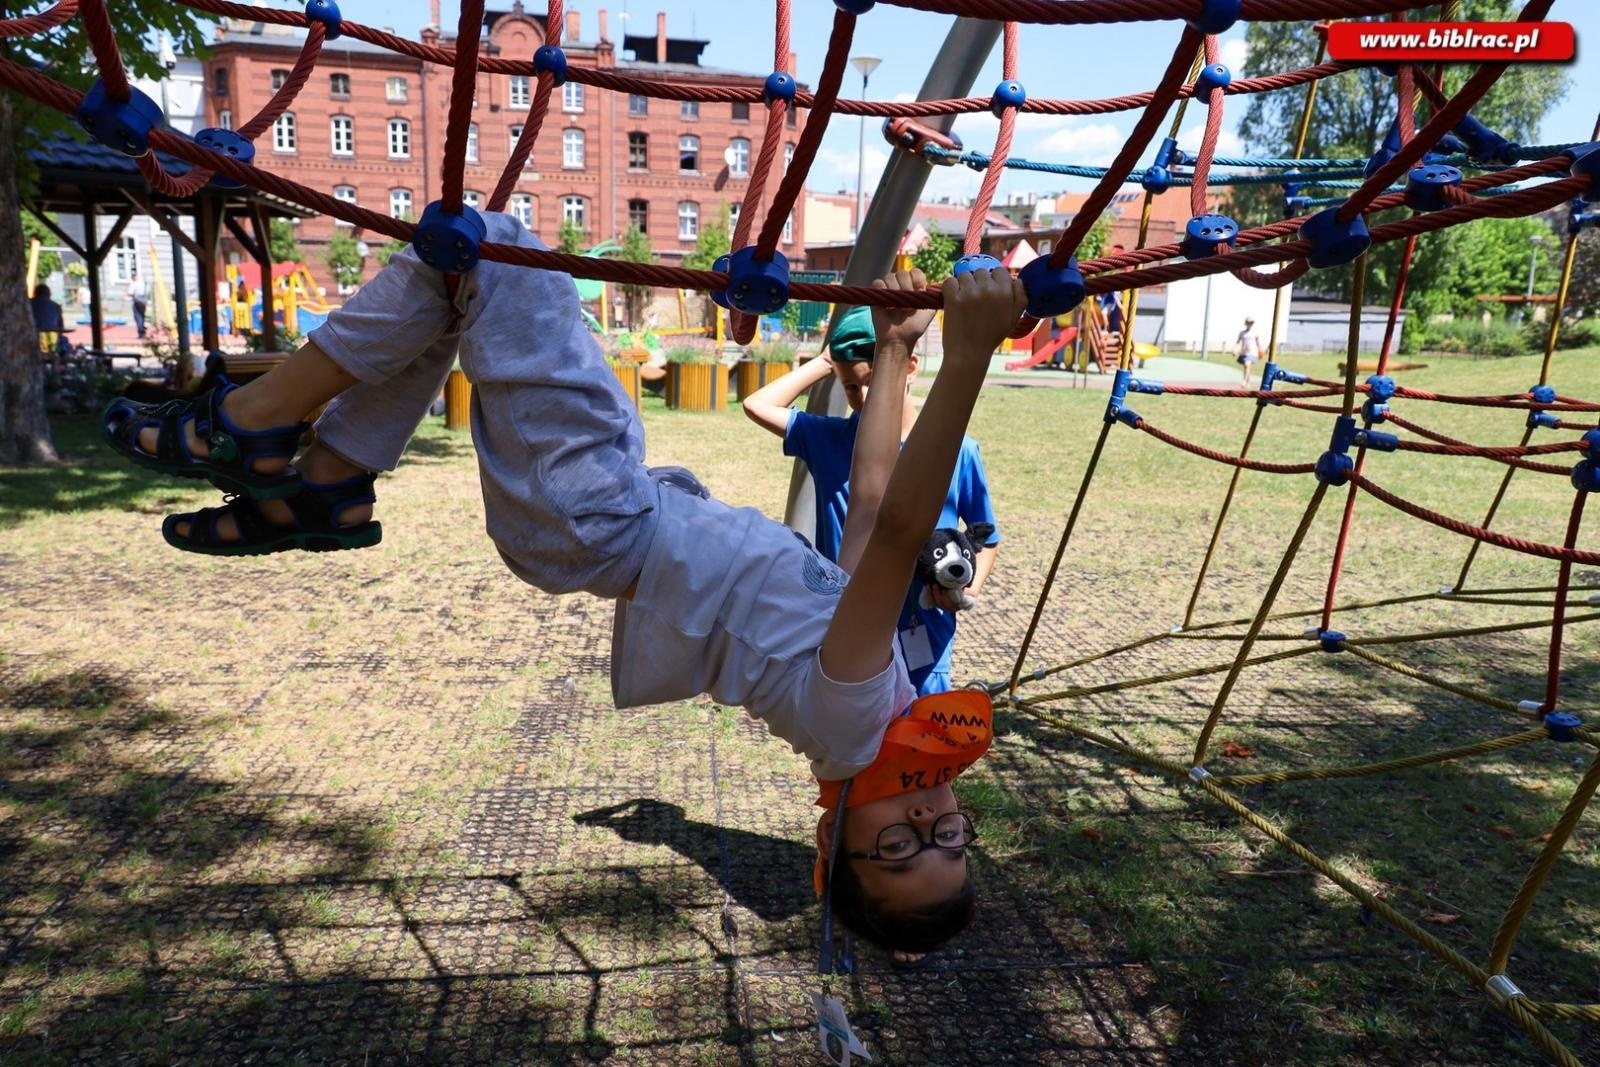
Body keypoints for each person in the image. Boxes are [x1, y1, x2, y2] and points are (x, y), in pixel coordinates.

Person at [101, 211, 1026, 958]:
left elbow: (908, 524)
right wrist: (900, 351)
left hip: (595, 517)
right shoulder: (892, 697)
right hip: (602, 516)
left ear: (832, 849)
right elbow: (869, 511)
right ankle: (328, 482)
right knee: (459, 270)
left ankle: (251, 420)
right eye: (947, 839)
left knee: (499, 248)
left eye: (898, 850)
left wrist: (972, 353)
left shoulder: (853, 726)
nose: (926, 821)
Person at [741, 303, 1000, 696]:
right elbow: (757, 405)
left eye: (872, 382)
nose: (862, 397)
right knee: (857, 739)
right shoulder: (828, 440)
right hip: (849, 628)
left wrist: (966, 591)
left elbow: (988, 539)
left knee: (922, 741)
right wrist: (828, 360)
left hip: (925, 632)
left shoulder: (957, 451)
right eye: (850, 386)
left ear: (909, 368)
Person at [30, 283, 66, 355]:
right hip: (53, 335)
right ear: (49, 294)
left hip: (34, 334)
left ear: (35, 293)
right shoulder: (55, 306)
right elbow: (60, 324)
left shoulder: (29, 303)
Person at [1236, 316, 1263, 386]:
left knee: (1247, 365)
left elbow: (1258, 343)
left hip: (1252, 353)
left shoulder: (1255, 333)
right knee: (1247, 367)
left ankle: (1244, 380)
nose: (1250, 324)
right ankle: (1248, 382)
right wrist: (1235, 349)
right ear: (1245, 323)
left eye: (1251, 323)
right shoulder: (1242, 333)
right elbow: (1238, 342)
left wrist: (1260, 350)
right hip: (1244, 352)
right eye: (1248, 322)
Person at [127, 269, 149, 340]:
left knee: (138, 317)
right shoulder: (143, 283)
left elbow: (131, 293)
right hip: (144, 301)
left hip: (137, 302)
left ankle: (141, 331)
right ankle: (142, 328)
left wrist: (127, 295)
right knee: (142, 316)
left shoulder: (134, 284)